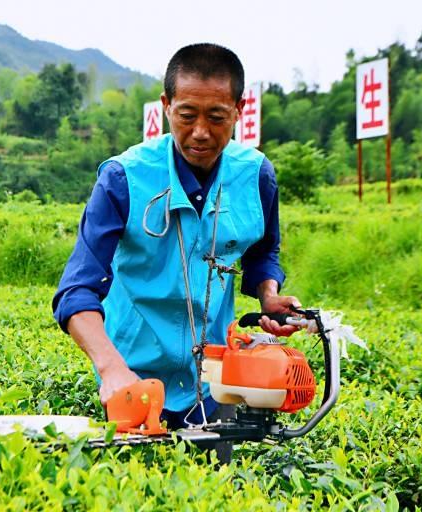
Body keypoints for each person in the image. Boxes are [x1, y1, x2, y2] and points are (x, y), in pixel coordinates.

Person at [52, 43, 301, 434]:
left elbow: (263, 252)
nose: (200, 132)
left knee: (215, 485)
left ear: (239, 110)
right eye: (186, 115)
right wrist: (112, 369)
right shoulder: (123, 178)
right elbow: (75, 293)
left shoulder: (256, 175)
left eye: (217, 117)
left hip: (217, 379)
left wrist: (269, 294)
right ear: (167, 105)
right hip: (134, 381)